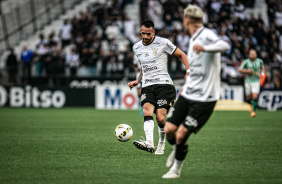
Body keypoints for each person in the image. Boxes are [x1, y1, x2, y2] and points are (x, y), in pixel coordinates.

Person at [162, 5, 230, 178]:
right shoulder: (193, 39)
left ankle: (175, 170)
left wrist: (206, 48)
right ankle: (176, 150)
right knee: (168, 129)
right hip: (189, 93)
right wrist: (186, 86)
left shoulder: (206, 35)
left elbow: (224, 44)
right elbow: (197, 68)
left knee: (181, 135)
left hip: (205, 98)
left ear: (186, 21)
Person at [128, 19, 190, 155]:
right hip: (148, 84)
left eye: (148, 34)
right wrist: (138, 81)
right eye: (143, 34)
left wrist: (188, 71)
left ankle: (161, 143)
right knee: (146, 111)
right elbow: (144, 68)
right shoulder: (136, 47)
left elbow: (182, 55)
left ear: (153, 32)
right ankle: (150, 143)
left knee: (161, 118)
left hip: (164, 84)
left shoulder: (163, 43)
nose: (145, 37)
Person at [239, 49, 265, 117]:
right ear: (249, 55)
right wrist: (247, 71)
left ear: (256, 54)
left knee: (255, 96)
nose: (253, 55)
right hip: (248, 81)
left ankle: (253, 111)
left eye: (254, 54)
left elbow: (262, 68)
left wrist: (262, 74)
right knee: (248, 97)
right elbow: (240, 70)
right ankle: (251, 105)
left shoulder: (260, 61)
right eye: (251, 54)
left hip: (256, 81)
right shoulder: (246, 62)